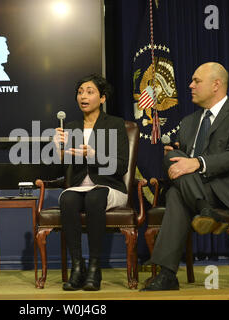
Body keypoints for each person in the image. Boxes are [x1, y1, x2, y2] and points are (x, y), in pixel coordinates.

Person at [141, 62, 229, 291]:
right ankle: (204, 209)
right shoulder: (188, 122)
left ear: (216, 85)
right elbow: (181, 166)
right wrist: (178, 156)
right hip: (195, 188)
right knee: (172, 158)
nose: (190, 85)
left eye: (196, 81)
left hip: (224, 189)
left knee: (175, 193)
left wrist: (196, 162)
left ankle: (167, 275)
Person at [53, 74, 130, 291]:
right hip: (79, 187)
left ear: (102, 98)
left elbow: (122, 166)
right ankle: (78, 268)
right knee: (67, 198)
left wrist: (95, 155)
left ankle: (95, 268)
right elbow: (63, 165)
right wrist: (57, 148)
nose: (83, 96)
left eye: (89, 92)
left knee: (95, 197)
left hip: (110, 187)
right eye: (80, 92)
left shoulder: (115, 124)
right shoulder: (72, 125)